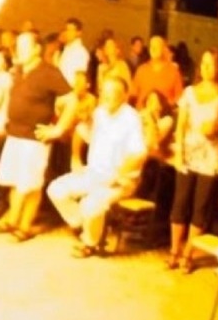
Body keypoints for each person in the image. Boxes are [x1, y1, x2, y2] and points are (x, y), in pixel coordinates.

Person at [47, 76, 146, 258]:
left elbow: (139, 153)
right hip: (94, 173)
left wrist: (119, 174)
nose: (106, 97)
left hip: (120, 180)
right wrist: (76, 157)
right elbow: (80, 131)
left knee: (90, 205)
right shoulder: (99, 113)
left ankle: (90, 243)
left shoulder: (131, 118)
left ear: (124, 96)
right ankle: (82, 225)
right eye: (104, 93)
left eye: (112, 93)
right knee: (56, 190)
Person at [0, 31, 78, 241]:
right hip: (15, 134)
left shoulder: (49, 72)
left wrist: (58, 129)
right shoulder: (18, 71)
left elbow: (72, 101)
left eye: (24, 46)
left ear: (36, 49)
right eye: (18, 46)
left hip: (34, 138)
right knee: (16, 181)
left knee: (31, 184)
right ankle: (13, 219)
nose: (18, 50)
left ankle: (24, 226)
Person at [167, 49, 218, 271]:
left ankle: (189, 253)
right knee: (180, 202)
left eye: (211, 64)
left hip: (211, 155)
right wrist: (179, 151)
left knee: (201, 206)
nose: (206, 68)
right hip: (189, 153)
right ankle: (174, 250)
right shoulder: (189, 92)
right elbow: (181, 126)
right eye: (204, 63)